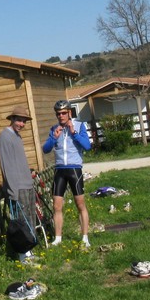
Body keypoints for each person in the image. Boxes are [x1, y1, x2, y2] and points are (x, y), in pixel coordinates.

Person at [42, 99, 92, 249]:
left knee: (80, 204)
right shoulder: (54, 129)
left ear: (69, 112)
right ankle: (58, 238)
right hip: (59, 170)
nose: (61, 116)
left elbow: (87, 146)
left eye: (64, 113)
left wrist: (74, 133)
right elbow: (45, 149)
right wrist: (53, 138)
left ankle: (85, 237)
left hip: (74, 169)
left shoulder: (79, 125)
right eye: (58, 114)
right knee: (57, 206)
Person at [0, 105, 38, 265]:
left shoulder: (16, 136)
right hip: (17, 188)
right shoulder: (4, 138)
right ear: (12, 119)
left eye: (24, 121)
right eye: (19, 120)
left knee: (30, 220)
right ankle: (22, 256)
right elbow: (7, 166)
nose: (22, 124)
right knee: (21, 222)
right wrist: (13, 191)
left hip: (27, 185)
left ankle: (29, 252)